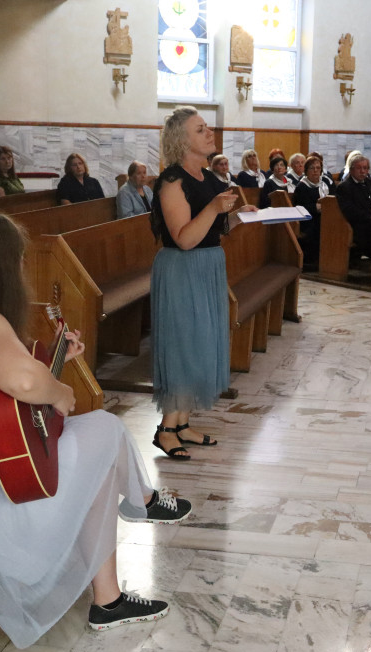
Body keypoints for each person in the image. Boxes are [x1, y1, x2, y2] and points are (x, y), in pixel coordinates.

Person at [0, 211, 191, 646]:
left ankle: (130, 534)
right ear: (9, 263)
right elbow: (24, 382)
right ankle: (133, 521)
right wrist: (59, 392)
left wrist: (56, 361)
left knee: (101, 452)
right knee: (104, 431)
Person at [150, 106, 255, 460]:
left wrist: (240, 216)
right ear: (182, 140)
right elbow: (183, 238)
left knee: (202, 340)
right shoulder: (172, 181)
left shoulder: (209, 176)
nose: (209, 133)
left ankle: (182, 422)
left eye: (207, 128)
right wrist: (213, 209)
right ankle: (166, 429)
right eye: (200, 130)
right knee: (183, 343)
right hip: (182, 268)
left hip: (208, 265)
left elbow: (214, 229)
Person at [335, 154, 371, 260]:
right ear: (351, 170)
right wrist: (370, 215)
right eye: (359, 168)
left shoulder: (370, 183)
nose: (363, 171)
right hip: (355, 224)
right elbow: (349, 210)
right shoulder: (344, 187)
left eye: (365, 168)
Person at [291, 156, 327, 265]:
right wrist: (316, 207)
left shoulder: (324, 185)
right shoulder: (302, 186)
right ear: (306, 170)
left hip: (324, 216)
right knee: (320, 226)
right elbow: (299, 207)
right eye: (312, 168)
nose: (315, 171)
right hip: (307, 220)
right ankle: (314, 261)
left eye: (318, 168)